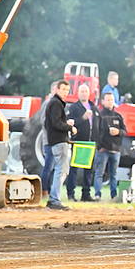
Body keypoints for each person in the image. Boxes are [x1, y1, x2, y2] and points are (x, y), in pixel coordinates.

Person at [44, 80, 77, 210]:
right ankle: (55, 200)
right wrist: (70, 127)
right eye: (63, 89)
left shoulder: (54, 103)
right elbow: (56, 123)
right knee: (61, 171)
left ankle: (54, 198)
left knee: (61, 170)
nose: (65, 92)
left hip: (55, 141)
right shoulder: (56, 103)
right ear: (57, 89)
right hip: (59, 141)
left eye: (67, 90)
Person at [65, 84, 99, 202]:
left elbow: (98, 125)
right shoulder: (74, 107)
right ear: (78, 93)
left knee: (89, 170)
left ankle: (86, 194)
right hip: (78, 141)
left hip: (91, 143)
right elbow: (70, 123)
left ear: (89, 93)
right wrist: (83, 118)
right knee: (74, 169)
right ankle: (71, 193)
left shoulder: (93, 107)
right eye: (82, 91)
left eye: (86, 91)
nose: (84, 93)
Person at [94, 92, 127, 201]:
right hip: (103, 150)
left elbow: (125, 132)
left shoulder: (118, 116)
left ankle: (114, 195)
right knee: (100, 172)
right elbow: (95, 133)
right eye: (107, 100)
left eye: (111, 100)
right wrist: (99, 147)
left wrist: (118, 131)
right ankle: (97, 194)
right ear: (103, 101)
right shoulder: (99, 115)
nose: (110, 102)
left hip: (115, 150)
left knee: (114, 174)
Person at [40, 81, 58, 198]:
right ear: (52, 90)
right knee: (48, 165)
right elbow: (43, 121)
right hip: (49, 140)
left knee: (53, 167)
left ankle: (49, 190)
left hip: (55, 140)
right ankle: (44, 190)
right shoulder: (48, 104)